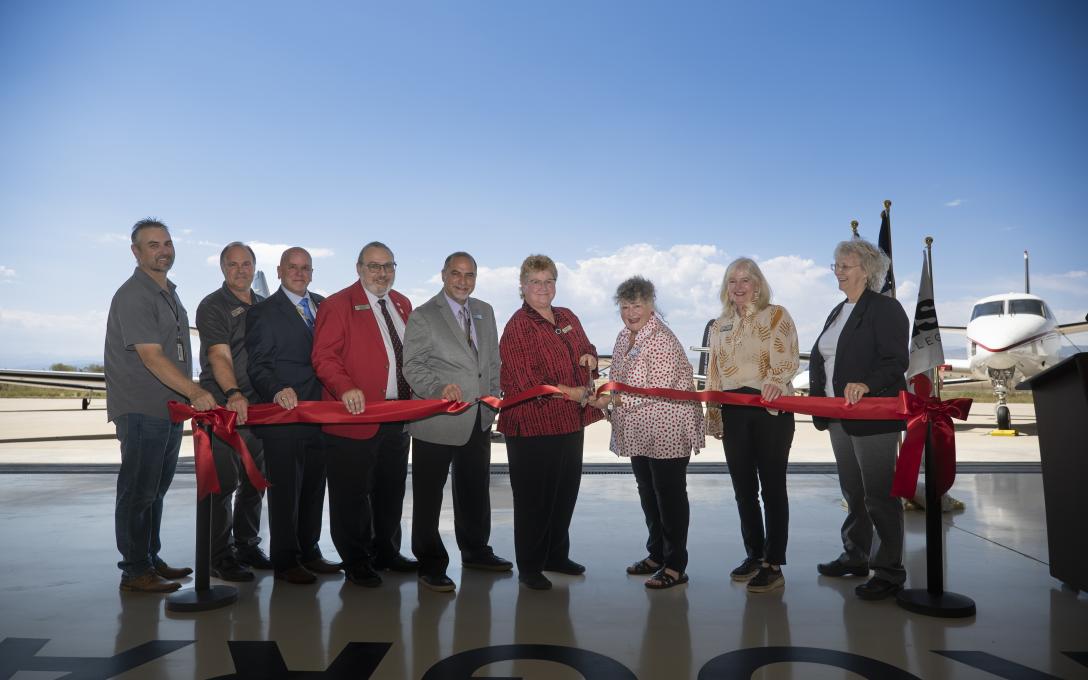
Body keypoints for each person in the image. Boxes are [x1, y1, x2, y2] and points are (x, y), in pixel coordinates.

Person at [105, 218, 216, 592]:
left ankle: (150, 558)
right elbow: (151, 356)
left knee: (155, 489)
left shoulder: (167, 292)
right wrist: (195, 391)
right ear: (136, 252)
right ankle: (135, 570)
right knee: (138, 490)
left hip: (167, 408)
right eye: (152, 245)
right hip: (142, 408)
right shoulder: (135, 294)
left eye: (166, 243)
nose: (163, 250)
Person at [402, 251, 513, 592]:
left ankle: (476, 550)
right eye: (456, 273)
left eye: (469, 274)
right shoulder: (423, 316)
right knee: (428, 496)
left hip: (477, 418)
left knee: (474, 491)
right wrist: (438, 390)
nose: (463, 281)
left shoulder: (485, 311)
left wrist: (492, 402)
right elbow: (413, 366)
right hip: (437, 420)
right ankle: (430, 563)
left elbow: (492, 361)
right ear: (443, 275)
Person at [311, 241, 417, 588]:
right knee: (351, 494)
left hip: (397, 416)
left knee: (391, 490)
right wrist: (345, 388)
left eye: (388, 265)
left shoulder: (402, 304)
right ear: (359, 268)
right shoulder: (337, 304)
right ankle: (356, 560)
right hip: (353, 417)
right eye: (374, 266)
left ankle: (386, 551)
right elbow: (324, 356)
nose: (382, 273)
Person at [809, 239, 910, 601]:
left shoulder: (886, 309)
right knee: (853, 492)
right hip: (838, 415)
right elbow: (824, 358)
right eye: (835, 265)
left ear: (866, 270)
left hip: (873, 416)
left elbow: (896, 360)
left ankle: (889, 570)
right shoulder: (838, 311)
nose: (838, 271)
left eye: (845, 265)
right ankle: (856, 554)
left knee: (879, 495)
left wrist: (867, 384)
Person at [590, 277, 704, 590]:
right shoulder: (624, 335)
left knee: (669, 496)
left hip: (668, 425)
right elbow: (615, 377)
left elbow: (659, 390)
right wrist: (605, 395)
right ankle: (656, 555)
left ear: (651, 304)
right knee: (648, 491)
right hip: (640, 428)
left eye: (637, 305)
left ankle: (676, 566)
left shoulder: (661, 339)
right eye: (625, 306)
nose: (630, 312)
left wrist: (609, 398)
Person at [497, 254, 603, 590]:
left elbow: (586, 347)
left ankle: (556, 555)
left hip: (569, 421)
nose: (543, 288)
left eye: (548, 281)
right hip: (532, 425)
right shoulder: (518, 327)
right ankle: (529, 566)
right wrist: (574, 392)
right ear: (522, 287)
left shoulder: (567, 315)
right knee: (533, 499)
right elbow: (528, 382)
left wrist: (589, 355)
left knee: (564, 493)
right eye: (535, 282)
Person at [245, 247, 341, 584]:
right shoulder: (264, 312)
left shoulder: (324, 304)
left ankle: (309, 550)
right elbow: (258, 364)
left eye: (305, 268)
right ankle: (285, 561)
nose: (299, 273)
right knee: (286, 490)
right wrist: (275, 390)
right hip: (285, 413)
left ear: (312, 272)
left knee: (314, 487)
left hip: (322, 412)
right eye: (292, 267)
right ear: (279, 271)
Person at [705, 258, 800, 593]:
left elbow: (787, 356)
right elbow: (714, 372)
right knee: (743, 490)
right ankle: (754, 554)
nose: (739, 287)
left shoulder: (776, 315)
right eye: (732, 281)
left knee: (772, 489)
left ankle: (774, 563)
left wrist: (775, 380)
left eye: (746, 280)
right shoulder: (719, 324)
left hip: (770, 409)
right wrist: (714, 413)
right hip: (734, 412)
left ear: (758, 284)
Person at [194, 241, 272, 582]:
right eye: (232, 265)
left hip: (260, 410)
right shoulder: (213, 306)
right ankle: (218, 556)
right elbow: (219, 356)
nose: (240, 270)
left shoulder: (266, 306)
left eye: (246, 264)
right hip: (223, 409)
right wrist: (233, 394)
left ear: (254, 267)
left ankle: (247, 545)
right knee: (222, 484)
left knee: (256, 481)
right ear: (222, 269)